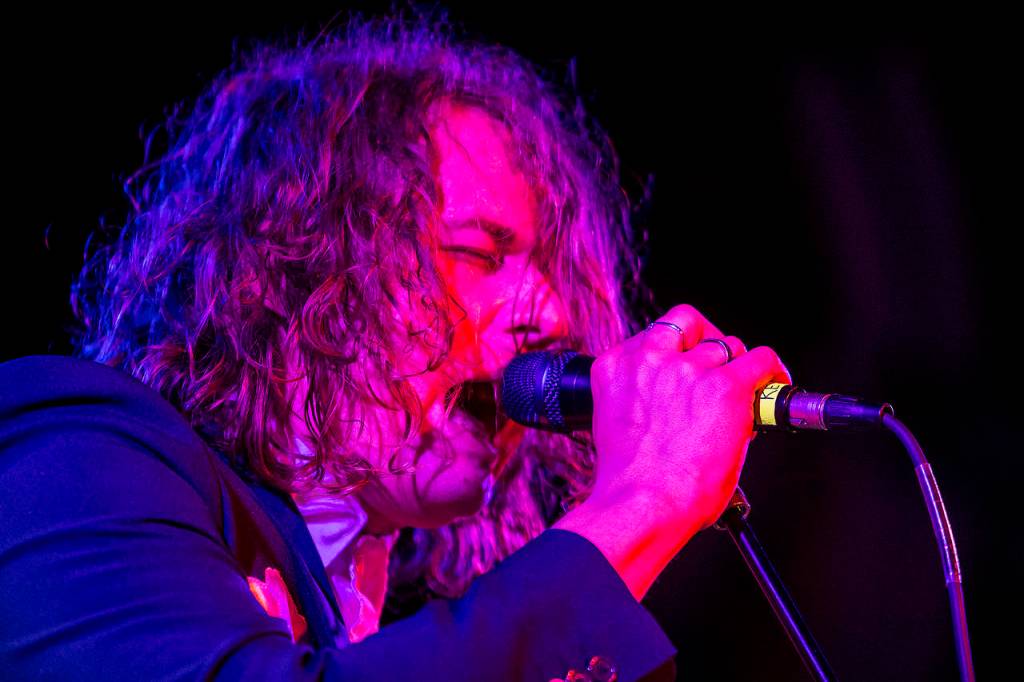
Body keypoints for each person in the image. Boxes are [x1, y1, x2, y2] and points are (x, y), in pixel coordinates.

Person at [0, 11, 790, 681]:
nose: (550, 313)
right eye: (480, 254)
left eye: (549, 274)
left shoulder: (372, 609)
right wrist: (642, 500)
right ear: (304, 257)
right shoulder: (77, 453)